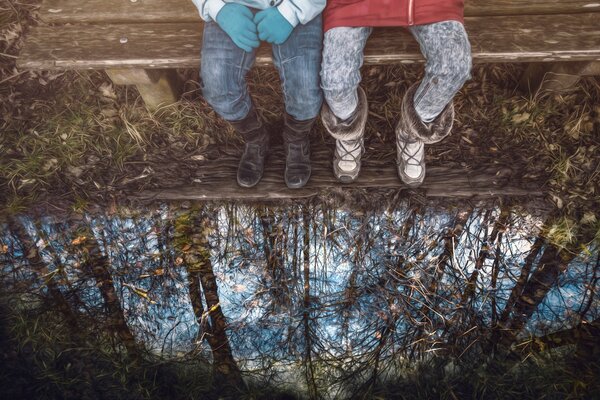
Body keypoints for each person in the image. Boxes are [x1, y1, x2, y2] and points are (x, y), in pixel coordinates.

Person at [319, 0, 472, 186]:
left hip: (426, 4)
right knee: (335, 81)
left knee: (454, 68)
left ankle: (411, 131)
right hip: (351, 5)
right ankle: (349, 132)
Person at [191, 0, 325, 189]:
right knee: (217, 85)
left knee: (306, 87)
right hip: (233, 6)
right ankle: (256, 139)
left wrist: (292, 11)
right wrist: (218, 9)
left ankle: (296, 139)